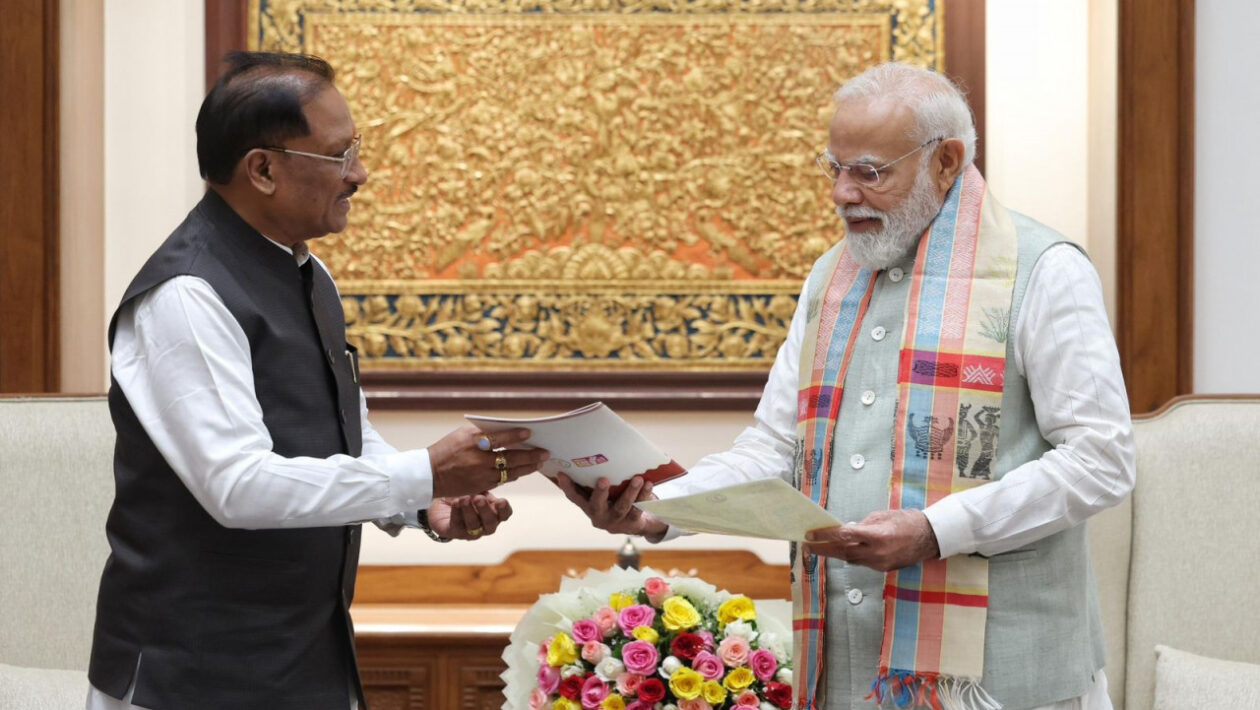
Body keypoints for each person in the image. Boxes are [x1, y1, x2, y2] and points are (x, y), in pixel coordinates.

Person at [557, 62, 1135, 710]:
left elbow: (1101, 460)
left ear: (946, 161)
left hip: (1003, 684)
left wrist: (936, 530)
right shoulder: (830, 277)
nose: (841, 193)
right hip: (846, 676)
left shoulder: (1044, 271)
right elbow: (776, 448)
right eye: (833, 168)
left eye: (869, 172)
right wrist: (658, 508)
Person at [86, 51, 550, 710]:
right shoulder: (186, 295)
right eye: (339, 156)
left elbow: (343, 435)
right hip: (191, 675)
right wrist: (423, 472)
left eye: (356, 149)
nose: (359, 174)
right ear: (263, 170)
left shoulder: (307, 272)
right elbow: (237, 487)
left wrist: (424, 504)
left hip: (307, 660)